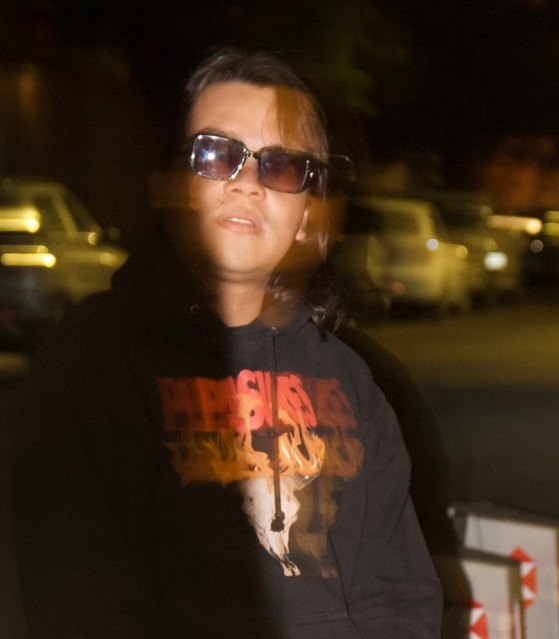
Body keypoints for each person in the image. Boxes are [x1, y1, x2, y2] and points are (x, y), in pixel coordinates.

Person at [10, 47, 442, 638]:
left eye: (281, 166)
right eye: (217, 155)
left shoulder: (354, 382)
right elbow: (78, 598)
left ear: (307, 212)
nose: (248, 184)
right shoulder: (94, 361)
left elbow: (398, 597)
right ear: (175, 185)